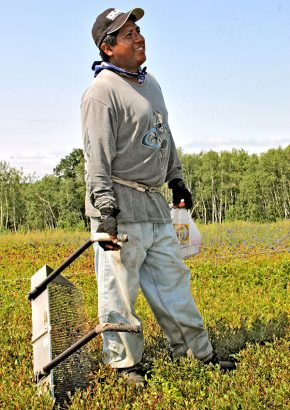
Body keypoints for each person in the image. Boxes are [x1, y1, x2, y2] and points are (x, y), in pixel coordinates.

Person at [81, 7, 235, 384]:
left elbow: (164, 134)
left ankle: (196, 352)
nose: (138, 37)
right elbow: (95, 156)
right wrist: (105, 210)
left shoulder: (151, 84)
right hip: (120, 206)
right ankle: (124, 365)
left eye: (137, 30)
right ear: (108, 47)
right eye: (127, 34)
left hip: (154, 206)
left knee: (173, 282)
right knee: (119, 292)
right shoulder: (101, 93)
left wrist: (176, 179)